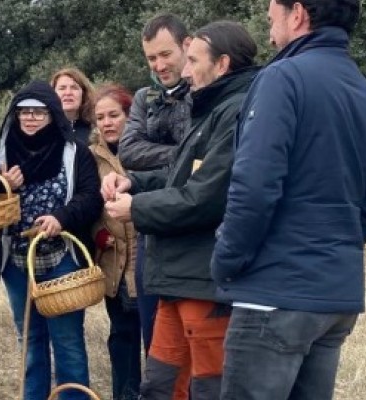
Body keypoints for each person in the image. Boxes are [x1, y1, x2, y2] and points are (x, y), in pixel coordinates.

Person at [212, 1, 366, 399]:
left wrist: (226, 260)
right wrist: (329, 248)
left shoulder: (282, 78)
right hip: (334, 298)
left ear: (298, 15)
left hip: (274, 293)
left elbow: (254, 188)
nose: (267, 16)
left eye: (273, 7)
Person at [102, 20, 260, 400]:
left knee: (206, 386)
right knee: (160, 384)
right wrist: (134, 183)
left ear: (221, 65)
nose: (184, 72)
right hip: (178, 275)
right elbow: (179, 174)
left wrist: (136, 207)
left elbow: (203, 197)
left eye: (191, 60)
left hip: (203, 279)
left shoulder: (234, 113)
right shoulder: (212, 109)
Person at [0, 80, 103, 400]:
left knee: (67, 344)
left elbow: (90, 197)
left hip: (61, 259)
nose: (29, 118)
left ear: (53, 115)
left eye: (38, 113)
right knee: (30, 341)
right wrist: (3, 185)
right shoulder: (3, 151)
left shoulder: (74, 152)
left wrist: (61, 218)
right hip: (16, 260)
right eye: (23, 112)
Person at [117, 13, 193, 355]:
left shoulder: (205, 92)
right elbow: (130, 150)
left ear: (187, 46)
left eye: (166, 54)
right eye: (151, 58)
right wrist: (186, 152)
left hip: (195, 232)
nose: (159, 65)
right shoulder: (145, 97)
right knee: (157, 345)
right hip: (151, 231)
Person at [88, 84, 141, 400]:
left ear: (129, 115)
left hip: (144, 260)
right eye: (100, 118)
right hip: (113, 263)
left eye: (113, 115)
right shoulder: (92, 157)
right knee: (122, 336)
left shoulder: (146, 151)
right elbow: (87, 204)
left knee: (158, 339)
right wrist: (98, 233)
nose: (107, 123)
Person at [50, 68, 96, 145]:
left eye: (74, 88)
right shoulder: (45, 129)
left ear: (84, 93)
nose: (68, 93)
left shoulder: (96, 129)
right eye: (62, 88)